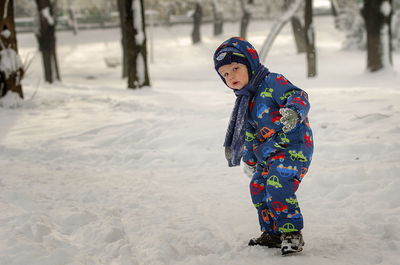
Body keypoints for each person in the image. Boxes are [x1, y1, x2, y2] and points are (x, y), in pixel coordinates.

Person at [213, 37, 314, 255]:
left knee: (278, 186)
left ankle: (291, 233)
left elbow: (298, 95)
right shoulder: (245, 100)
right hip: (267, 153)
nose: (231, 77)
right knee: (258, 187)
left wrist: (294, 112)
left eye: (236, 68)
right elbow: (251, 135)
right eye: (225, 74)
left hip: (292, 147)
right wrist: (250, 159)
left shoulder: (272, 81)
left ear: (250, 64)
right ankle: (272, 232)